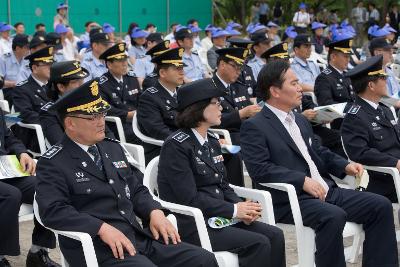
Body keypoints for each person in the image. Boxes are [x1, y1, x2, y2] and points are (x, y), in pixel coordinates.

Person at [35, 78, 218, 267]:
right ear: (71, 124)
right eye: (93, 117)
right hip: (98, 247)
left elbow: (136, 188)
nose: (101, 122)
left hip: (136, 238)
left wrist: (154, 211)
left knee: (203, 259)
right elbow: (53, 210)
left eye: (102, 114)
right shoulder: (53, 162)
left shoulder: (111, 148)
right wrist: (100, 228)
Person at [240, 59, 398, 267]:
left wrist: (344, 166)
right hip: (291, 199)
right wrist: (301, 180)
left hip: (325, 190)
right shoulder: (255, 126)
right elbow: (259, 169)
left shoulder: (300, 120)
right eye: (294, 84)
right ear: (275, 91)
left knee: (380, 205)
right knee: (333, 216)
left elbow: (319, 152)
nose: (300, 88)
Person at [158, 78, 285, 267]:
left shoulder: (211, 140)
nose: (221, 108)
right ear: (198, 108)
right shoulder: (176, 146)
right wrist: (234, 210)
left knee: (275, 234)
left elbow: (222, 184)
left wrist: (241, 207)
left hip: (219, 216)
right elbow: (188, 198)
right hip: (194, 222)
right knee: (258, 243)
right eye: (216, 103)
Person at [0, 108, 59, 267]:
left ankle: (38, 251)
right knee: (11, 195)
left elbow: (8, 137)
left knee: (46, 187)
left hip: (4, 168)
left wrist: (23, 153)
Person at [341, 55, 400, 202]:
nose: (386, 81)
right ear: (371, 86)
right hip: (383, 178)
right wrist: (395, 163)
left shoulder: (384, 109)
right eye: (382, 78)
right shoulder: (355, 117)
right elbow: (360, 153)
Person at [136, 48, 184, 163]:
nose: (182, 72)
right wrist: (189, 139)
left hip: (183, 145)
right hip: (163, 149)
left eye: (182, 68)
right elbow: (158, 130)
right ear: (162, 73)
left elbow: (196, 119)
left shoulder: (183, 93)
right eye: (177, 69)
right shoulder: (149, 97)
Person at [99, 43, 142, 143]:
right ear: (109, 64)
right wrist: (127, 114)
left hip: (138, 119)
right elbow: (105, 108)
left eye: (125, 60)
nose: (125, 64)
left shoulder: (131, 78)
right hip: (118, 124)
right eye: (120, 61)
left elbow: (141, 100)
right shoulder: (102, 83)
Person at [12, 46, 54, 150]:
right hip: (38, 136)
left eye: (52, 64)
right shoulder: (22, 89)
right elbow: (26, 114)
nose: (51, 68)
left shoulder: (54, 85)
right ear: (34, 68)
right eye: (47, 65)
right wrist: (53, 122)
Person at [40, 60, 87, 145]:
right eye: (75, 82)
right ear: (61, 87)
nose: (81, 85)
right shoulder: (49, 112)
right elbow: (60, 144)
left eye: (82, 80)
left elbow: (106, 133)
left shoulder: (89, 102)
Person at [314, 36, 355, 129]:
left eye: (349, 56)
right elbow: (326, 105)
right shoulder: (324, 78)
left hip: (353, 119)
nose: (348, 60)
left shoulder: (347, 75)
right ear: (333, 57)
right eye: (345, 56)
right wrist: (351, 109)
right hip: (340, 123)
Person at [0, 34, 29, 105]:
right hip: (9, 91)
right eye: (26, 47)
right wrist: (14, 84)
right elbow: (0, 82)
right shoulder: (4, 59)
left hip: (26, 90)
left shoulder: (28, 59)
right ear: (18, 48)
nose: (28, 50)